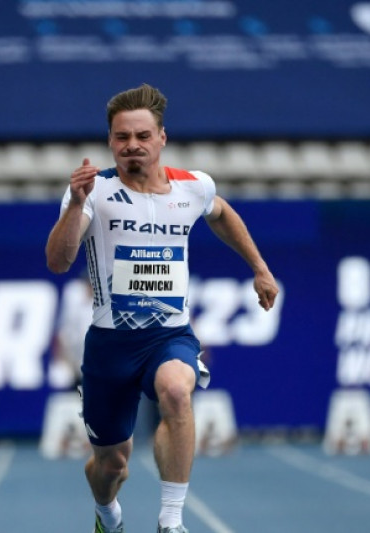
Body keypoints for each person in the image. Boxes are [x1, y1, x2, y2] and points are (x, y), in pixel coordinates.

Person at [45, 83, 279, 533]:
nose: (132, 145)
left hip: (168, 333)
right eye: (121, 137)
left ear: (161, 138)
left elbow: (222, 213)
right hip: (110, 343)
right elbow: (58, 262)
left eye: (142, 136)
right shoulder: (94, 192)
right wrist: (75, 205)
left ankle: (170, 520)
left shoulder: (193, 186)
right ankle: (106, 513)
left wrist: (260, 267)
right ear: (111, 141)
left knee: (176, 391)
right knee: (111, 466)